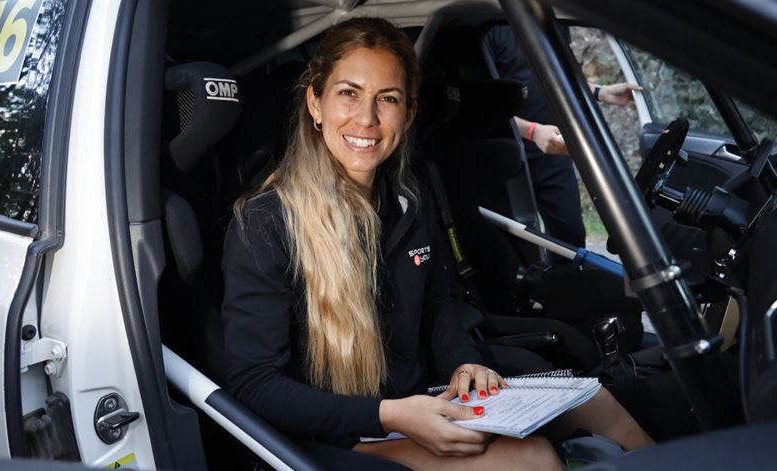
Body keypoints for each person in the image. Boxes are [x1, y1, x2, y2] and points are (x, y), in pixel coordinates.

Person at [222, 17, 652, 471]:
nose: (366, 119)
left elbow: (438, 303)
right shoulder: (265, 221)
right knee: (532, 459)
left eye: (386, 99)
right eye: (348, 93)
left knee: (596, 402)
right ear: (315, 102)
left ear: (407, 114)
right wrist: (391, 414)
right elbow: (253, 384)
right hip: (338, 435)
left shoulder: (410, 196)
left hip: (419, 399)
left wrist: (464, 363)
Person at [484, 25, 641, 248]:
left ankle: (562, 281)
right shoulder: (491, 27)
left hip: (553, 152)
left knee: (570, 238)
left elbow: (560, 77)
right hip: (508, 155)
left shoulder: (549, 21)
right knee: (515, 244)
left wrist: (600, 91)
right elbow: (486, 104)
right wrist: (532, 131)